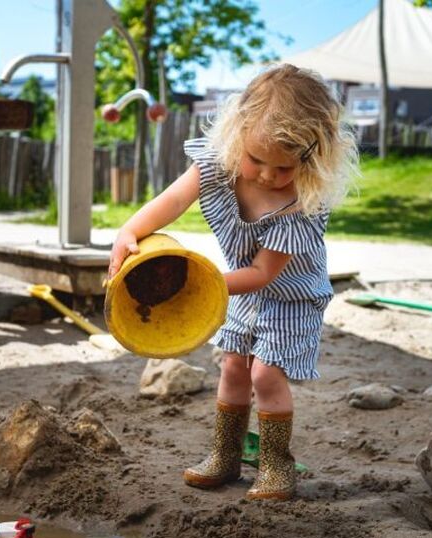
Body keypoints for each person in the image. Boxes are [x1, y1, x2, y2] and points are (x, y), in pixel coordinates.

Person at [108, 64, 358, 500]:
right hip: (239, 289)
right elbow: (173, 200)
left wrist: (202, 285)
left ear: (312, 158)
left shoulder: (298, 207)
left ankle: (276, 465)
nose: (266, 175)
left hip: (291, 298)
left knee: (264, 374)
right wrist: (130, 230)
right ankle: (225, 455)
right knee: (232, 366)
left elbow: (264, 274)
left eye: (283, 168)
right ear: (238, 132)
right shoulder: (217, 164)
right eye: (256, 159)